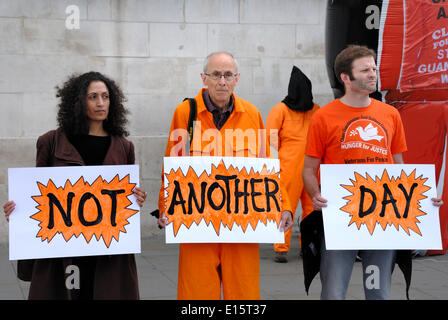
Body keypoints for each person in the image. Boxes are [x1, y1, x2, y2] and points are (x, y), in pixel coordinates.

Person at [302, 45, 444, 300]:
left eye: (374, 68)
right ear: (345, 77)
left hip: (383, 217)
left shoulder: (390, 114)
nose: (373, 74)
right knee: (333, 293)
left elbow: (399, 169)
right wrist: (315, 193)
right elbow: (309, 170)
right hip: (339, 216)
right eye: (365, 69)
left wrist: (418, 199)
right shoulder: (323, 117)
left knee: (379, 292)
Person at [157, 51, 294, 300]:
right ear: (204, 78)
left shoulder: (252, 114)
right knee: (197, 295)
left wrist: (283, 205)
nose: (222, 81)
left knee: (244, 294)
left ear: (237, 79)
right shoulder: (184, 113)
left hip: (241, 226)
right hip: (198, 223)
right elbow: (173, 163)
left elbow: (267, 165)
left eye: (228, 75)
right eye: (216, 75)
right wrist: (166, 206)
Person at [3, 71, 147, 300]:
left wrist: (136, 199)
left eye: (105, 96)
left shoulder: (124, 147)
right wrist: (19, 211)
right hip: (64, 252)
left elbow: (124, 200)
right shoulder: (51, 142)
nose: (101, 103)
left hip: (107, 254)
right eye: (93, 97)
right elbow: (37, 194)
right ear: (78, 102)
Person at [267, 66, 319, 263]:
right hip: (287, 167)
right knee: (284, 207)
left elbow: (322, 136)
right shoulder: (280, 110)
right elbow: (270, 141)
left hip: (311, 166)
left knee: (311, 208)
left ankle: (308, 246)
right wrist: (272, 166)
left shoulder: (315, 109)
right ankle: (281, 247)